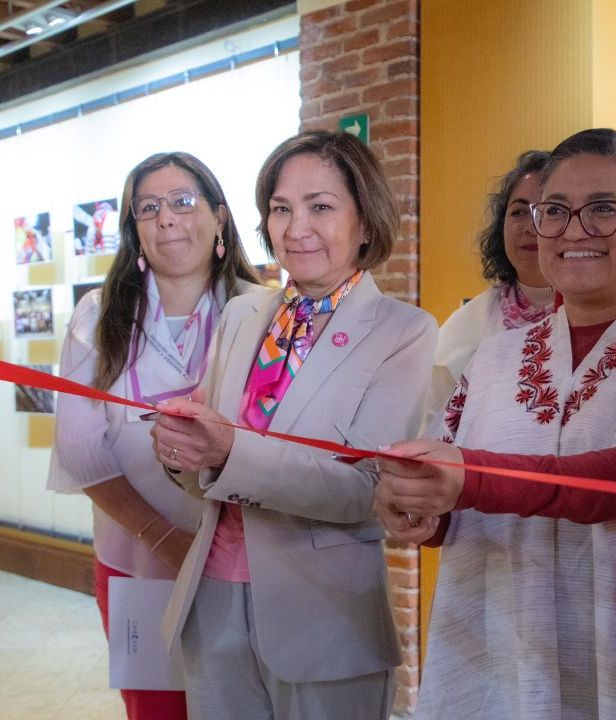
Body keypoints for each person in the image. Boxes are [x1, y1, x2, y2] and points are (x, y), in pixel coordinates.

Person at [374, 128, 616, 720]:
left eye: (605, 210)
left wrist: (466, 478)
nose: (574, 230)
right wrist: (420, 508)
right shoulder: (496, 357)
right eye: (553, 211)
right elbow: (457, 499)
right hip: (510, 648)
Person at [149, 131, 437, 720]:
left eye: (321, 206)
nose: (296, 226)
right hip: (214, 595)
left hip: (324, 611)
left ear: (365, 221)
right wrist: (178, 450)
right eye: (281, 208)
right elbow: (204, 464)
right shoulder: (244, 311)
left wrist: (226, 450)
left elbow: (363, 489)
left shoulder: (402, 330)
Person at [48, 151, 260, 720]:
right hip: (135, 558)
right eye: (148, 207)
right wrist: (165, 539)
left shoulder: (259, 310)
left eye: (182, 201)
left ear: (219, 216)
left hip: (242, 563)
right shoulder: (99, 314)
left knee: (241, 705)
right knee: (155, 708)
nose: (166, 218)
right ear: (134, 230)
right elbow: (80, 450)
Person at [430, 149, 554, 414]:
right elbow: (431, 426)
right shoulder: (466, 325)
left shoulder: (601, 317)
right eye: (519, 212)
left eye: (549, 210)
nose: (530, 227)